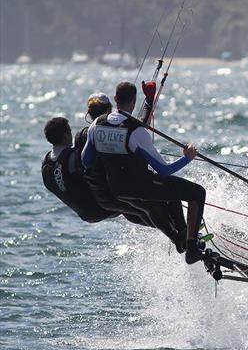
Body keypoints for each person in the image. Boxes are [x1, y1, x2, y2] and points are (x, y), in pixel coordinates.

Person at [82, 81, 208, 264]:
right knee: (196, 192)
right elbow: (164, 170)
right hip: (142, 187)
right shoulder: (136, 130)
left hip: (118, 190)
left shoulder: (95, 126)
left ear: (116, 99)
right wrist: (187, 158)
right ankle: (192, 248)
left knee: (172, 193)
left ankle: (181, 238)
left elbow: (86, 160)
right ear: (134, 101)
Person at [42, 117, 118, 223]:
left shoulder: (46, 166)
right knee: (82, 138)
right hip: (105, 209)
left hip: (87, 216)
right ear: (65, 136)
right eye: (70, 131)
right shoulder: (73, 157)